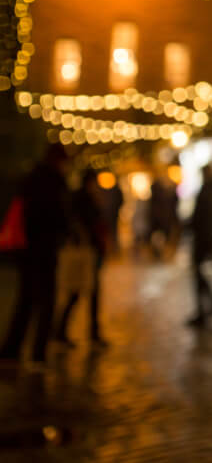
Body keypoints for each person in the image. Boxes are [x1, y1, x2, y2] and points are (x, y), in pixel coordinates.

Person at [0, 144, 72, 363]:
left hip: (26, 248)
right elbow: (56, 214)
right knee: (46, 301)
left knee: (26, 299)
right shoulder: (53, 181)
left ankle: (11, 350)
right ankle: (38, 354)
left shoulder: (31, 177)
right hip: (43, 248)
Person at [55, 169, 109, 348]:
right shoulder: (84, 199)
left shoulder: (85, 197)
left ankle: (71, 331)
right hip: (86, 252)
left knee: (83, 293)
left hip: (91, 251)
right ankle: (71, 332)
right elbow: (90, 223)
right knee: (82, 291)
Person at [187, 164, 212, 327]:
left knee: (199, 273)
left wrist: (190, 226)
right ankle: (210, 304)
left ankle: (205, 308)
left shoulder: (208, 190)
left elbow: (200, 214)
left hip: (203, 237)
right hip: (209, 236)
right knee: (201, 272)